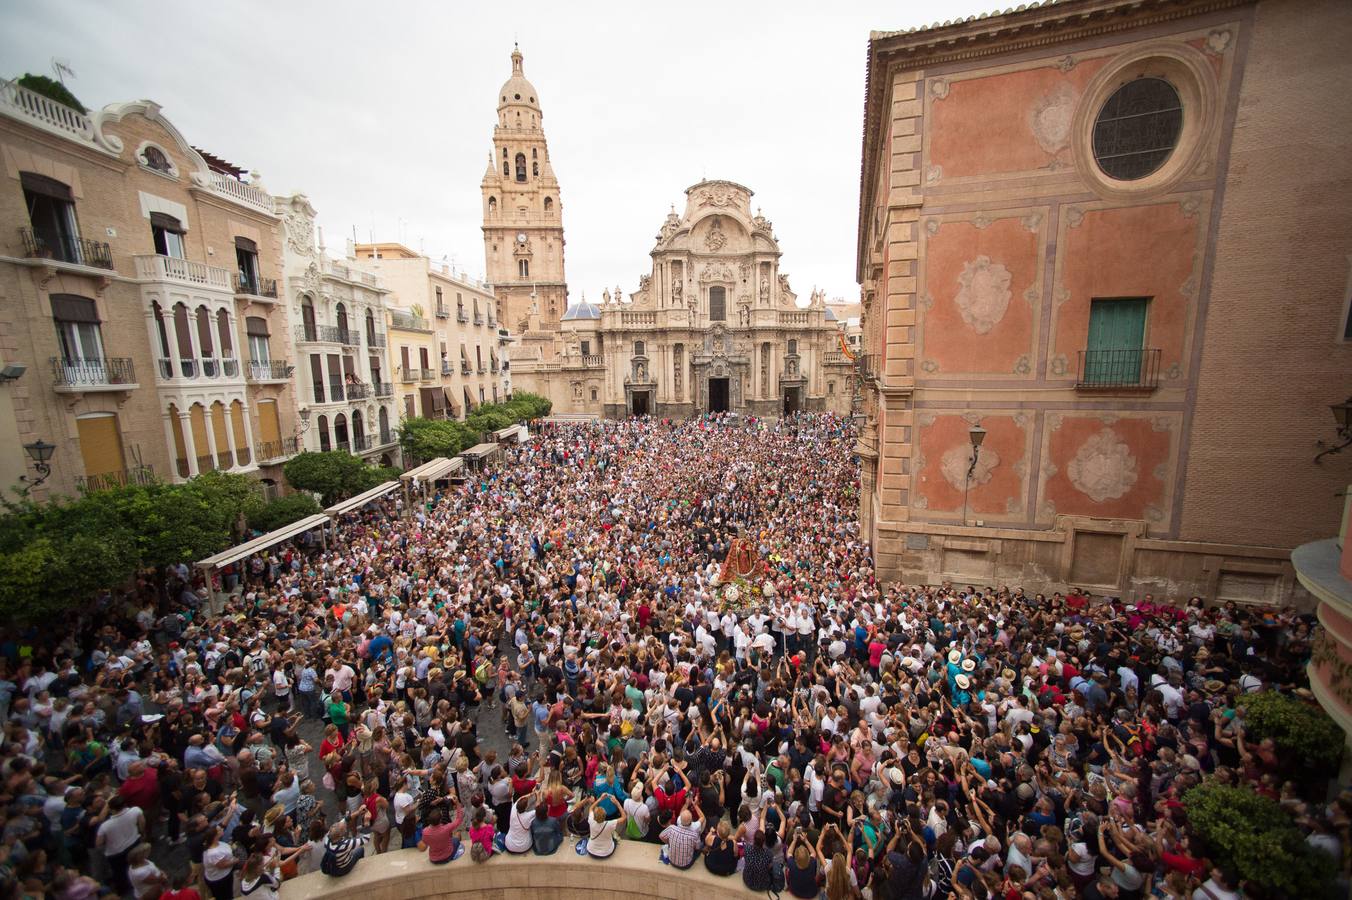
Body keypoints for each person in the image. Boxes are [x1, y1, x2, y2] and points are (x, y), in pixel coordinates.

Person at [659, 804, 705, 869]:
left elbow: (661, 836)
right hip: (685, 865)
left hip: (671, 861)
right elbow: (697, 847)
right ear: (691, 821)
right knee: (701, 845)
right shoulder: (694, 835)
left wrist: (669, 842)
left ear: (680, 820)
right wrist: (694, 804)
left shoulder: (672, 828)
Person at [586, 795, 626, 859]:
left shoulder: (591, 820)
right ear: (605, 816)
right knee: (615, 838)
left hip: (591, 850)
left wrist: (600, 799)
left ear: (594, 816)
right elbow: (624, 817)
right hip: (606, 852)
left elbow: (591, 808)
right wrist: (617, 803)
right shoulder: (609, 824)